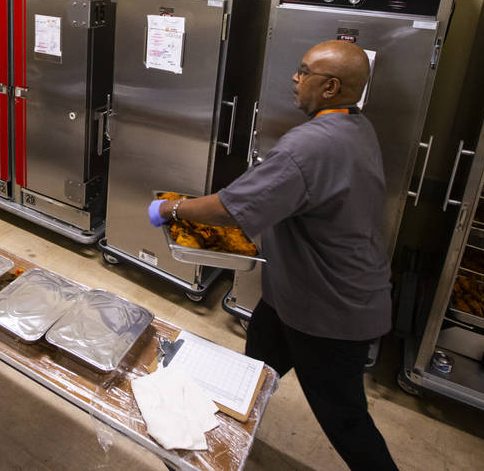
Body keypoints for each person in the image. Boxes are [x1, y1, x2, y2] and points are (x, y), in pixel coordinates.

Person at [148, 40, 397, 470]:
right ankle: (206, 449)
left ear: (332, 86)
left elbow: (229, 208)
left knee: (346, 419)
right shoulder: (358, 126)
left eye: (304, 72)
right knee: (251, 376)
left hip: (329, 310)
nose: (295, 80)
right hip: (290, 295)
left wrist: (171, 209)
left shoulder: (309, 146)